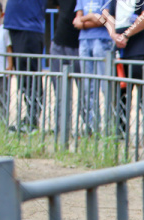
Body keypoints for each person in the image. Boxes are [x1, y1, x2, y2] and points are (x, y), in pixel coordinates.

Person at [102, 0, 144, 146]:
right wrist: (113, 34)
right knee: (121, 94)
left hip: (139, 51)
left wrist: (126, 35)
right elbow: (106, 14)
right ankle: (120, 132)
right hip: (120, 52)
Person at [3, 0, 46, 131]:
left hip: (28, 27)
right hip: (15, 26)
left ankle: (32, 120)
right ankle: (28, 118)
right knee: (23, 76)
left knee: (30, 76)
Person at [74, 0, 114, 134]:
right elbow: (76, 21)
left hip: (102, 40)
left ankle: (109, 125)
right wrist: (91, 17)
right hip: (84, 41)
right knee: (88, 86)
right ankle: (92, 125)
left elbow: (104, 19)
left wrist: (84, 20)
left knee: (105, 86)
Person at [49, 0, 79, 132]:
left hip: (80, 44)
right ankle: (61, 128)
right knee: (60, 90)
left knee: (86, 90)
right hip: (59, 42)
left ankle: (90, 129)